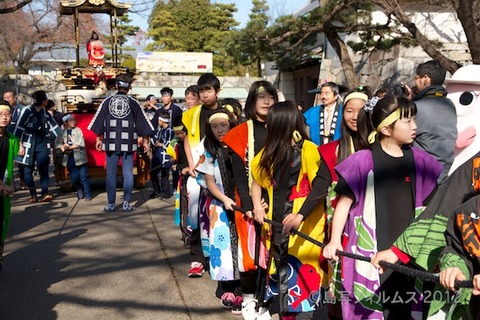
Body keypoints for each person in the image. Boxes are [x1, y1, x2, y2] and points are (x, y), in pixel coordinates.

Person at [323, 93, 442, 319]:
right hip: (370, 249)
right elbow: (343, 204)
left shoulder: (421, 161)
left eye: (414, 120)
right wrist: (335, 239)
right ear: (386, 129)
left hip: (410, 250)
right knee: (372, 308)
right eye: (407, 121)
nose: (414, 126)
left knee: (405, 308)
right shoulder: (362, 161)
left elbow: (432, 208)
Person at [297, 86, 372, 319]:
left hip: (369, 223)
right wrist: (301, 214)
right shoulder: (330, 150)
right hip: (337, 224)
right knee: (337, 278)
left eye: (360, 111)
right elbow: (320, 186)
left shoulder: (379, 149)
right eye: (348, 110)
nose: (354, 116)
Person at [250, 100, 328, 320]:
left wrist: (300, 215)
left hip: (303, 229)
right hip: (276, 226)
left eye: (270, 122)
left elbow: (321, 185)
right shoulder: (269, 151)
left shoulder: (308, 149)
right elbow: (257, 181)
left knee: (300, 287)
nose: (265, 126)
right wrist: (257, 204)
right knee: (282, 285)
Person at [222, 80, 278, 319]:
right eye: (260, 97)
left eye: (270, 97)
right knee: (250, 255)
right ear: (251, 102)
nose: (266, 102)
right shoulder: (240, 132)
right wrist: (247, 205)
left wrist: (269, 201)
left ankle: (264, 299)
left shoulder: (281, 128)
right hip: (246, 201)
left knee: (271, 254)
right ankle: (247, 299)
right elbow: (237, 174)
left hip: (276, 201)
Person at [195, 109, 241, 312]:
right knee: (223, 248)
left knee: (241, 246)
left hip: (241, 204)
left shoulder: (240, 145)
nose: (220, 130)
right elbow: (209, 181)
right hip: (220, 205)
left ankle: (243, 288)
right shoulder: (209, 149)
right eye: (215, 126)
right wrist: (223, 198)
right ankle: (227, 287)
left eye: (223, 125)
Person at [88, 73, 154, 212]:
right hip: (129, 144)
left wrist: (99, 139)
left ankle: (111, 204)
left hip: (111, 143)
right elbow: (143, 124)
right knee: (128, 174)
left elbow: (99, 123)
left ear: (116, 86)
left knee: (111, 174)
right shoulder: (134, 103)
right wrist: (146, 141)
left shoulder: (107, 102)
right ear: (129, 87)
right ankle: (126, 203)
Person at [182, 73, 221, 278]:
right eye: (202, 91)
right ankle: (196, 258)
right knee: (195, 212)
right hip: (197, 171)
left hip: (219, 172)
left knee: (218, 217)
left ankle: (218, 258)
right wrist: (190, 163)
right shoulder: (192, 114)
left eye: (209, 90)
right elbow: (187, 139)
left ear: (217, 91)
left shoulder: (226, 112)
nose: (205, 95)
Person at [13, 90, 62, 203]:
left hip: (42, 145)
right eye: (45, 99)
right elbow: (19, 128)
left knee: (43, 169)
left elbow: (54, 127)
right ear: (43, 101)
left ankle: (45, 193)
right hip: (27, 145)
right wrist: (19, 145)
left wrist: (61, 140)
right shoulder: (27, 111)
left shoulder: (44, 112)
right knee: (27, 171)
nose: (46, 101)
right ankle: (33, 194)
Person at [412, 60, 457, 182]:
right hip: (444, 172)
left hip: (421, 174)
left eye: (416, 78)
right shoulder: (450, 105)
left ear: (425, 79)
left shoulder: (418, 107)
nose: (414, 83)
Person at [0, 100, 20, 270]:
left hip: (3, 192)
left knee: (3, 223)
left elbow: (10, 166)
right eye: (0, 114)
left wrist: (11, 185)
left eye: (7, 114)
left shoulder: (12, 140)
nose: (4, 118)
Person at [56, 113, 92, 201]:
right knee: (74, 177)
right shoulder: (62, 132)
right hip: (69, 157)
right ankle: (79, 188)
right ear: (66, 122)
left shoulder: (78, 130)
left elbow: (81, 143)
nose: (73, 122)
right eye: (70, 120)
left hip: (80, 156)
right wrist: (62, 147)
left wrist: (70, 147)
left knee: (84, 177)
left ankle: (88, 194)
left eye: (74, 120)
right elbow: (58, 143)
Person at [166, 121, 190, 246]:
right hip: (182, 179)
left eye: (181, 133)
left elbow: (190, 163)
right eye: (176, 134)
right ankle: (184, 233)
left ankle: (188, 234)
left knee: (188, 209)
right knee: (182, 209)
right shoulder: (177, 145)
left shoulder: (189, 144)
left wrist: (178, 166)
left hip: (189, 178)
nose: (179, 136)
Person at [303, 82, 343, 146]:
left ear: (335, 96)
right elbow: (306, 131)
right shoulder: (313, 111)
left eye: (327, 94)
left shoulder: (343, 111)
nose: (323, 96)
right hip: (316, 149)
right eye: (321, 93)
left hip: (338, 150)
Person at [3, 89, 26, 189]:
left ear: (14, 98)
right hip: (5, 139)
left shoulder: (22, 110)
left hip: (18, 140)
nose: (7, 100)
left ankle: (22, 181)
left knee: (20, 163)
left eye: (9, 97)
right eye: (5, 98)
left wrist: (20, 143)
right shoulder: (3, 109)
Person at [150, 110, 174, 199]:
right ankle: (156, 190)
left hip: (165, 156)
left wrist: (160, 144)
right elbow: (155, 140)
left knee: (165, 175)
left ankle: (166, 192)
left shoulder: (170, 131)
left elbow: (171, 144)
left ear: (161, 121)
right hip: (157, 155)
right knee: (153, 172)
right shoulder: (159, 130)